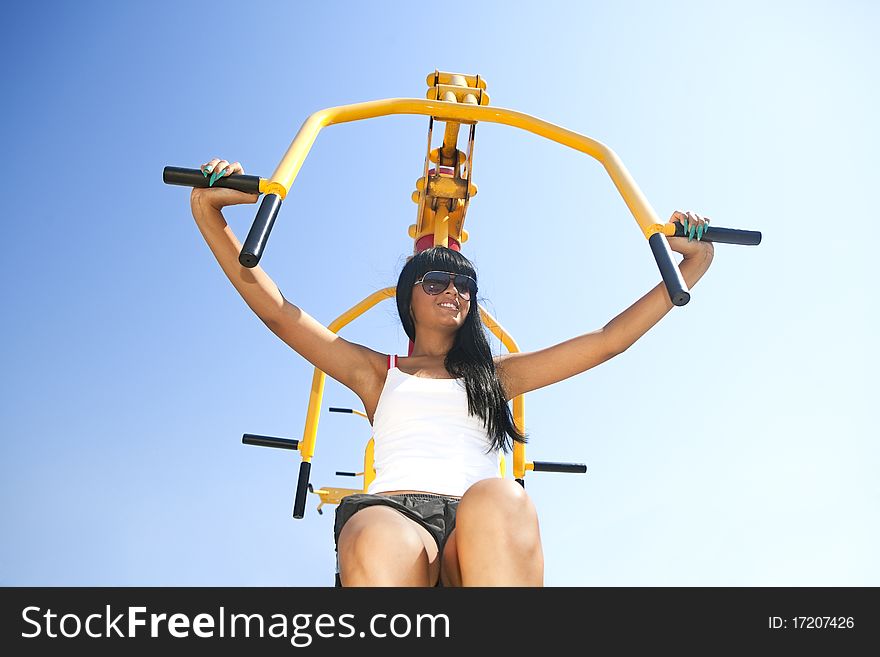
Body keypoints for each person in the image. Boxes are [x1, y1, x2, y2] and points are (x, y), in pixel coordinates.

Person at [190, 157, 715, 587]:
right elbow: (278, 312)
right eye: (436, 279)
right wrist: (210, 215)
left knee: (502, 496)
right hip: (396, 515)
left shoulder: (497, 376)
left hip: (475, 527)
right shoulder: (377, 373)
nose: (453, 290)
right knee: (374, 531)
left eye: (464, 285)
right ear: (408, 298)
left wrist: (692, 267)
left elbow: (607, 342)